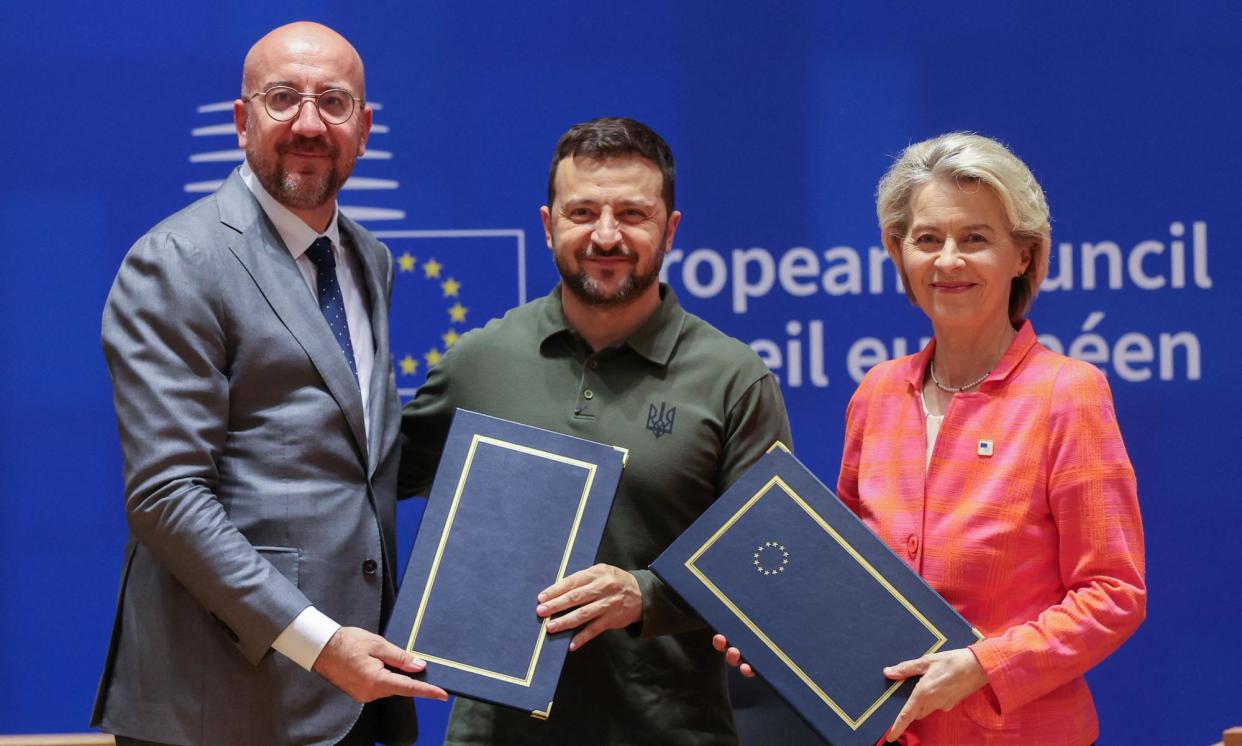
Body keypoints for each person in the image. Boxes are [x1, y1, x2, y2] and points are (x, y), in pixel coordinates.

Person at [716, 132, 1146, 744]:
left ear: (1023, 255)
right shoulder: (877, 394)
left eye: (975, 238)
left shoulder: (1068, 394)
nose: (948, 261)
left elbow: (1112, 594)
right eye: (926, 239)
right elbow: (844, 578)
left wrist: (982, 665)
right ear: (900, 254)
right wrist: (780, 633)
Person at [93, 22, 446, 746]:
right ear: (241, 119)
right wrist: (318, 642)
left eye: (335, 102)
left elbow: (349, 458)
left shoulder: (368, 260)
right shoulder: (177, 260)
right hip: (222, 702)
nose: (310, 123)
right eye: (283, 98)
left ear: (366, 127)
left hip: (357, 693)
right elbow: (166, 497)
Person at [398, 117, 792, 745]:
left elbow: (771, 566)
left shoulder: (733, 379)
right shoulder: (477, 362)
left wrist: (645, 594)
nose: (605, 236)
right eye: (582, 212)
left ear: (671, 228)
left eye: (633, 214)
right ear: (548, 222)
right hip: (495, 733)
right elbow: (363, 497)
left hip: (669, 732)